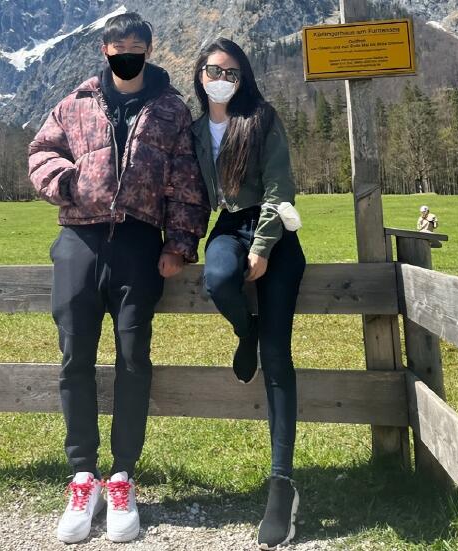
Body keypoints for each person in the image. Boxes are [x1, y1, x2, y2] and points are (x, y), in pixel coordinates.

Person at [28, 12, 209, 544]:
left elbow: (187, 181)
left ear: (148, 51)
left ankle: (123, 476)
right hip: (79, 242)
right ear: (104, 51)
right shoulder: (76, 102)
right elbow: (41, 152)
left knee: (133, 358)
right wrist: (67, 183)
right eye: (117, 46)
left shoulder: (172, 109)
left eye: (135, 46)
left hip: (139, 243)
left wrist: (179, 244)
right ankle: (83, 477)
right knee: (74, 357)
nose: (125, 54)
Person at [190, 38, 306, 550]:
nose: (222, 79)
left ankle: (281, 483)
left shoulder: (261, 119)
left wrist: (262, 248)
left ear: (244, 79)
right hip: (227, 227)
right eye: (214, 70)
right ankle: (246, 329)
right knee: (217, 279)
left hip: (274, 231)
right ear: (200, 74)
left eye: (231, 72)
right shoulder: (195, 130)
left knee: (278, 358)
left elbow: (280, 188)